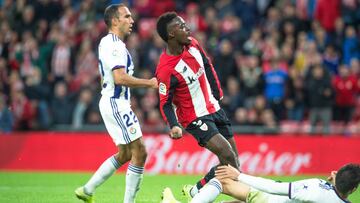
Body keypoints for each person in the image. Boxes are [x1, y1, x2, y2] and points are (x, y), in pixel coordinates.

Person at [75, 4, 158, 203]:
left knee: (125, 154)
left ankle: (87, 189)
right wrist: (149, 83)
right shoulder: (113, 44)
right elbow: (120, 78)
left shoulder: (113, 43)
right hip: (116, 103)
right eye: (127, 17)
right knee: (140, 151)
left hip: (115, 102)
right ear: (114, 20)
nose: (132, 20)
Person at [155, 12, 240, 202]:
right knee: (228, 155)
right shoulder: (165, 69)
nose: (188, 29)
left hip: (214, 107)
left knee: (232, 161)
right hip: (194, 117)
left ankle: (197, 190)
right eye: (182, 26)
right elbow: (165, 102)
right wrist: (173, 125)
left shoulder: (192, 43)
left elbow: (207, 65)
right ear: (171, 34)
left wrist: (217, 92)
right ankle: (245, 197)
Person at [214, 163, 360, 203]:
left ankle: (192, 195)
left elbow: (274, 188)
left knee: (223, 181)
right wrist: (337, 181)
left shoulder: (315, 187)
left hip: (268, 199)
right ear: (353, 190)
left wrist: (239, 176)